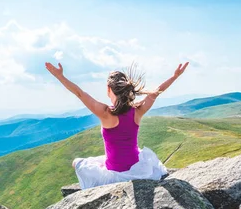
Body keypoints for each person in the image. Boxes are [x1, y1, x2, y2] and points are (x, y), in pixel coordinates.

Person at [45, 61, 189, 189]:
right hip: (138, 169)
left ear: (109, 89)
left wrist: (60, 76)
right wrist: (175, 76)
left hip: (116, 174)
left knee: (77, 162)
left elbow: (80, 94)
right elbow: (154, 94)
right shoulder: (137, 110)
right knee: (107, 157)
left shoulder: (106, 113)